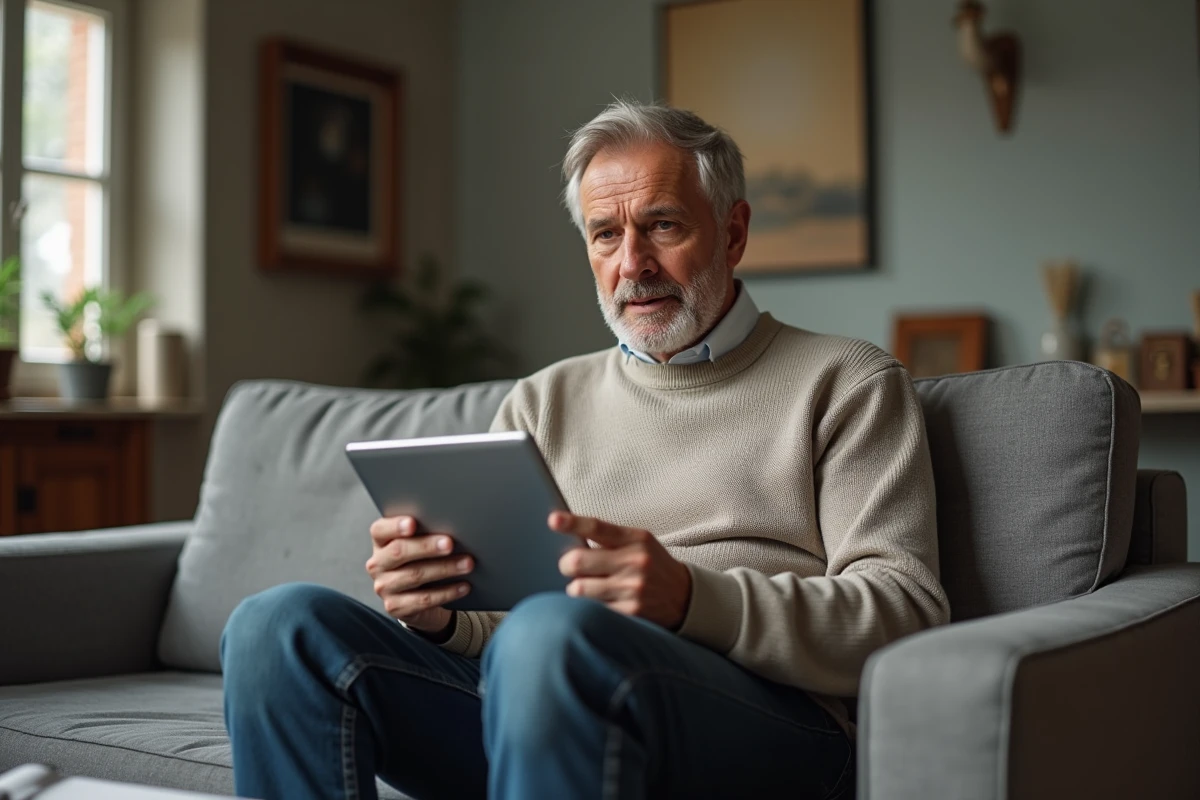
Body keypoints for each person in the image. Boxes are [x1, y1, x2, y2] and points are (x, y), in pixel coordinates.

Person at [220, 100, 949, 800]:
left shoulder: (846, 381)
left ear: (733, 234)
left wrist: (693, 599)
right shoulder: (540, 402)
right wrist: (440, 615)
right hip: (546, 698)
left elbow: (905, 611)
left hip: (775, 726)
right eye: (605, 234)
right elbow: (503, 624)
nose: (633, 262)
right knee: (275, 629)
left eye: (662, 225)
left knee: (552, 634)